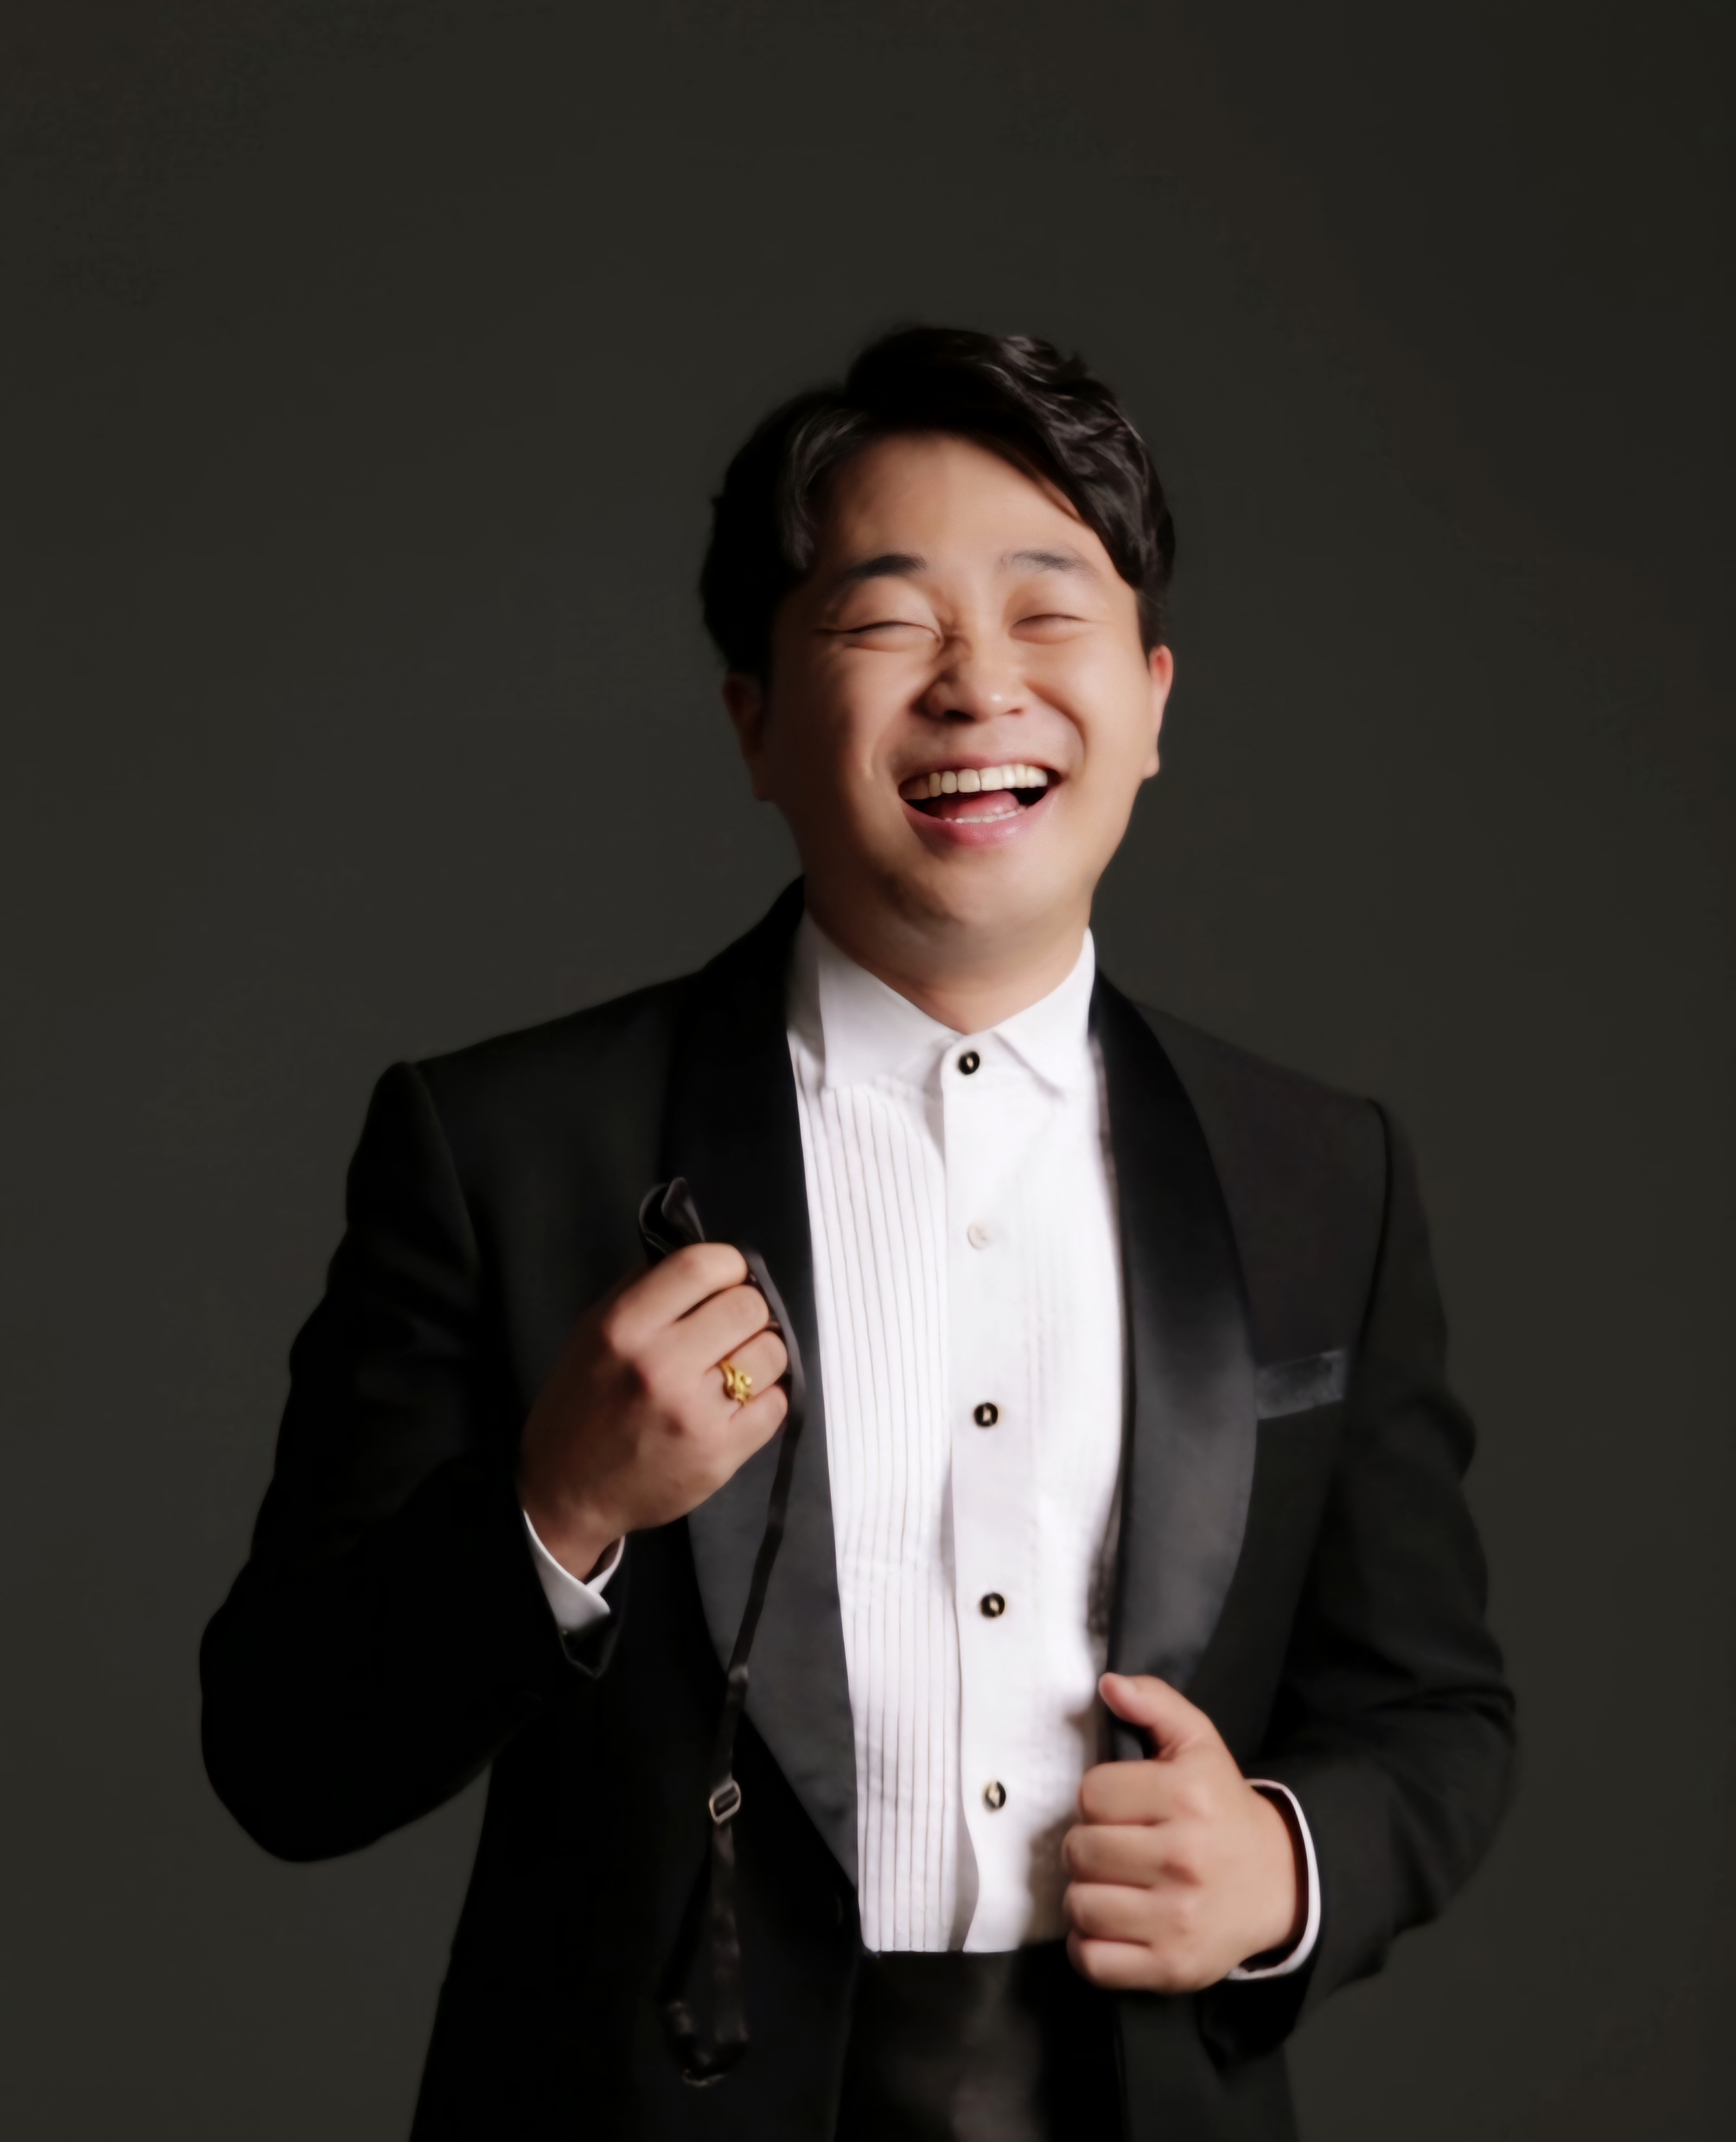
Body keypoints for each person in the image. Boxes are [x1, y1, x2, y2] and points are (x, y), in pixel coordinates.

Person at [201, 327, 1516, 2140]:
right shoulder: (504, 1147)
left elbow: (1435, 1713)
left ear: (1152, 699)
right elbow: (285, 1753)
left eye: (1048, 614)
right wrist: (555, 1506)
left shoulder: (1321, 1173)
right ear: (752, 716)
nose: (981, 687)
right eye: (891, 621)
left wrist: (1283, 1866)